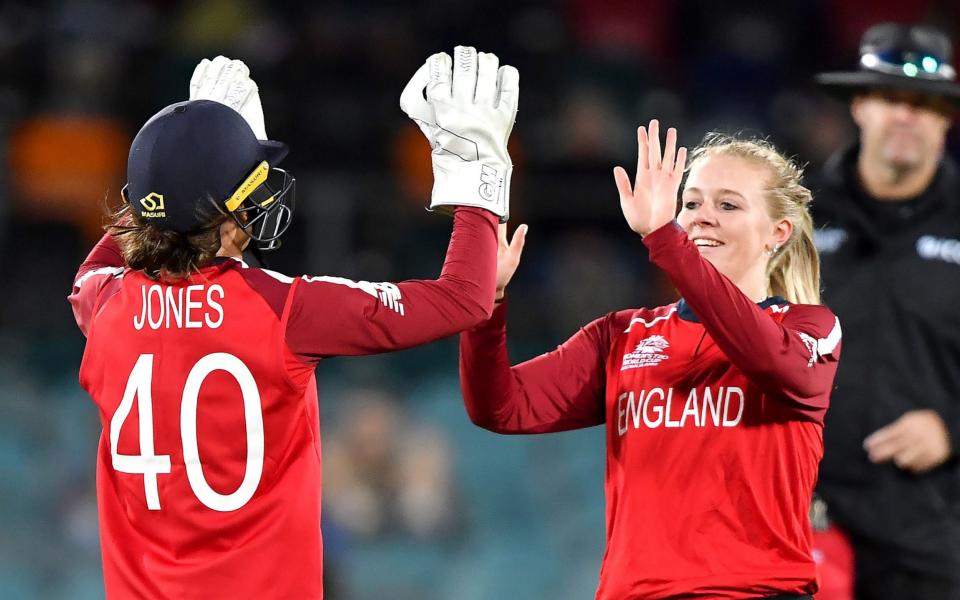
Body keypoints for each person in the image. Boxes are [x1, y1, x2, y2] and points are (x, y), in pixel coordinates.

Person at [67, 47, 518, 599]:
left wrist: (181, 161)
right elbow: (463, 299)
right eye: (249, 185)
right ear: (225, 215)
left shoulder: (104, 305)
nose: (263, 190)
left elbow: (107, 260)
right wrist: (480, 180)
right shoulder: (282, 310)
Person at [458, 120, 842, 599]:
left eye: (728, 204)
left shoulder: (810, 329)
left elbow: (772, 362)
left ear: (778, 233)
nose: (702, 217)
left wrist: (665, 240)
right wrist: (486, 306)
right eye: (691, 203)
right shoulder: (623, 334)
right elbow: (500, 406)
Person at [812, 22, 960, 600]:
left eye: (924, 104)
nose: (906, 116)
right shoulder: (794, 217)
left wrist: (951, 428)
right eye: (890, 98)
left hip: (931, 525)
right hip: (805, 517)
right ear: (859, 104)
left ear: (946, 118)